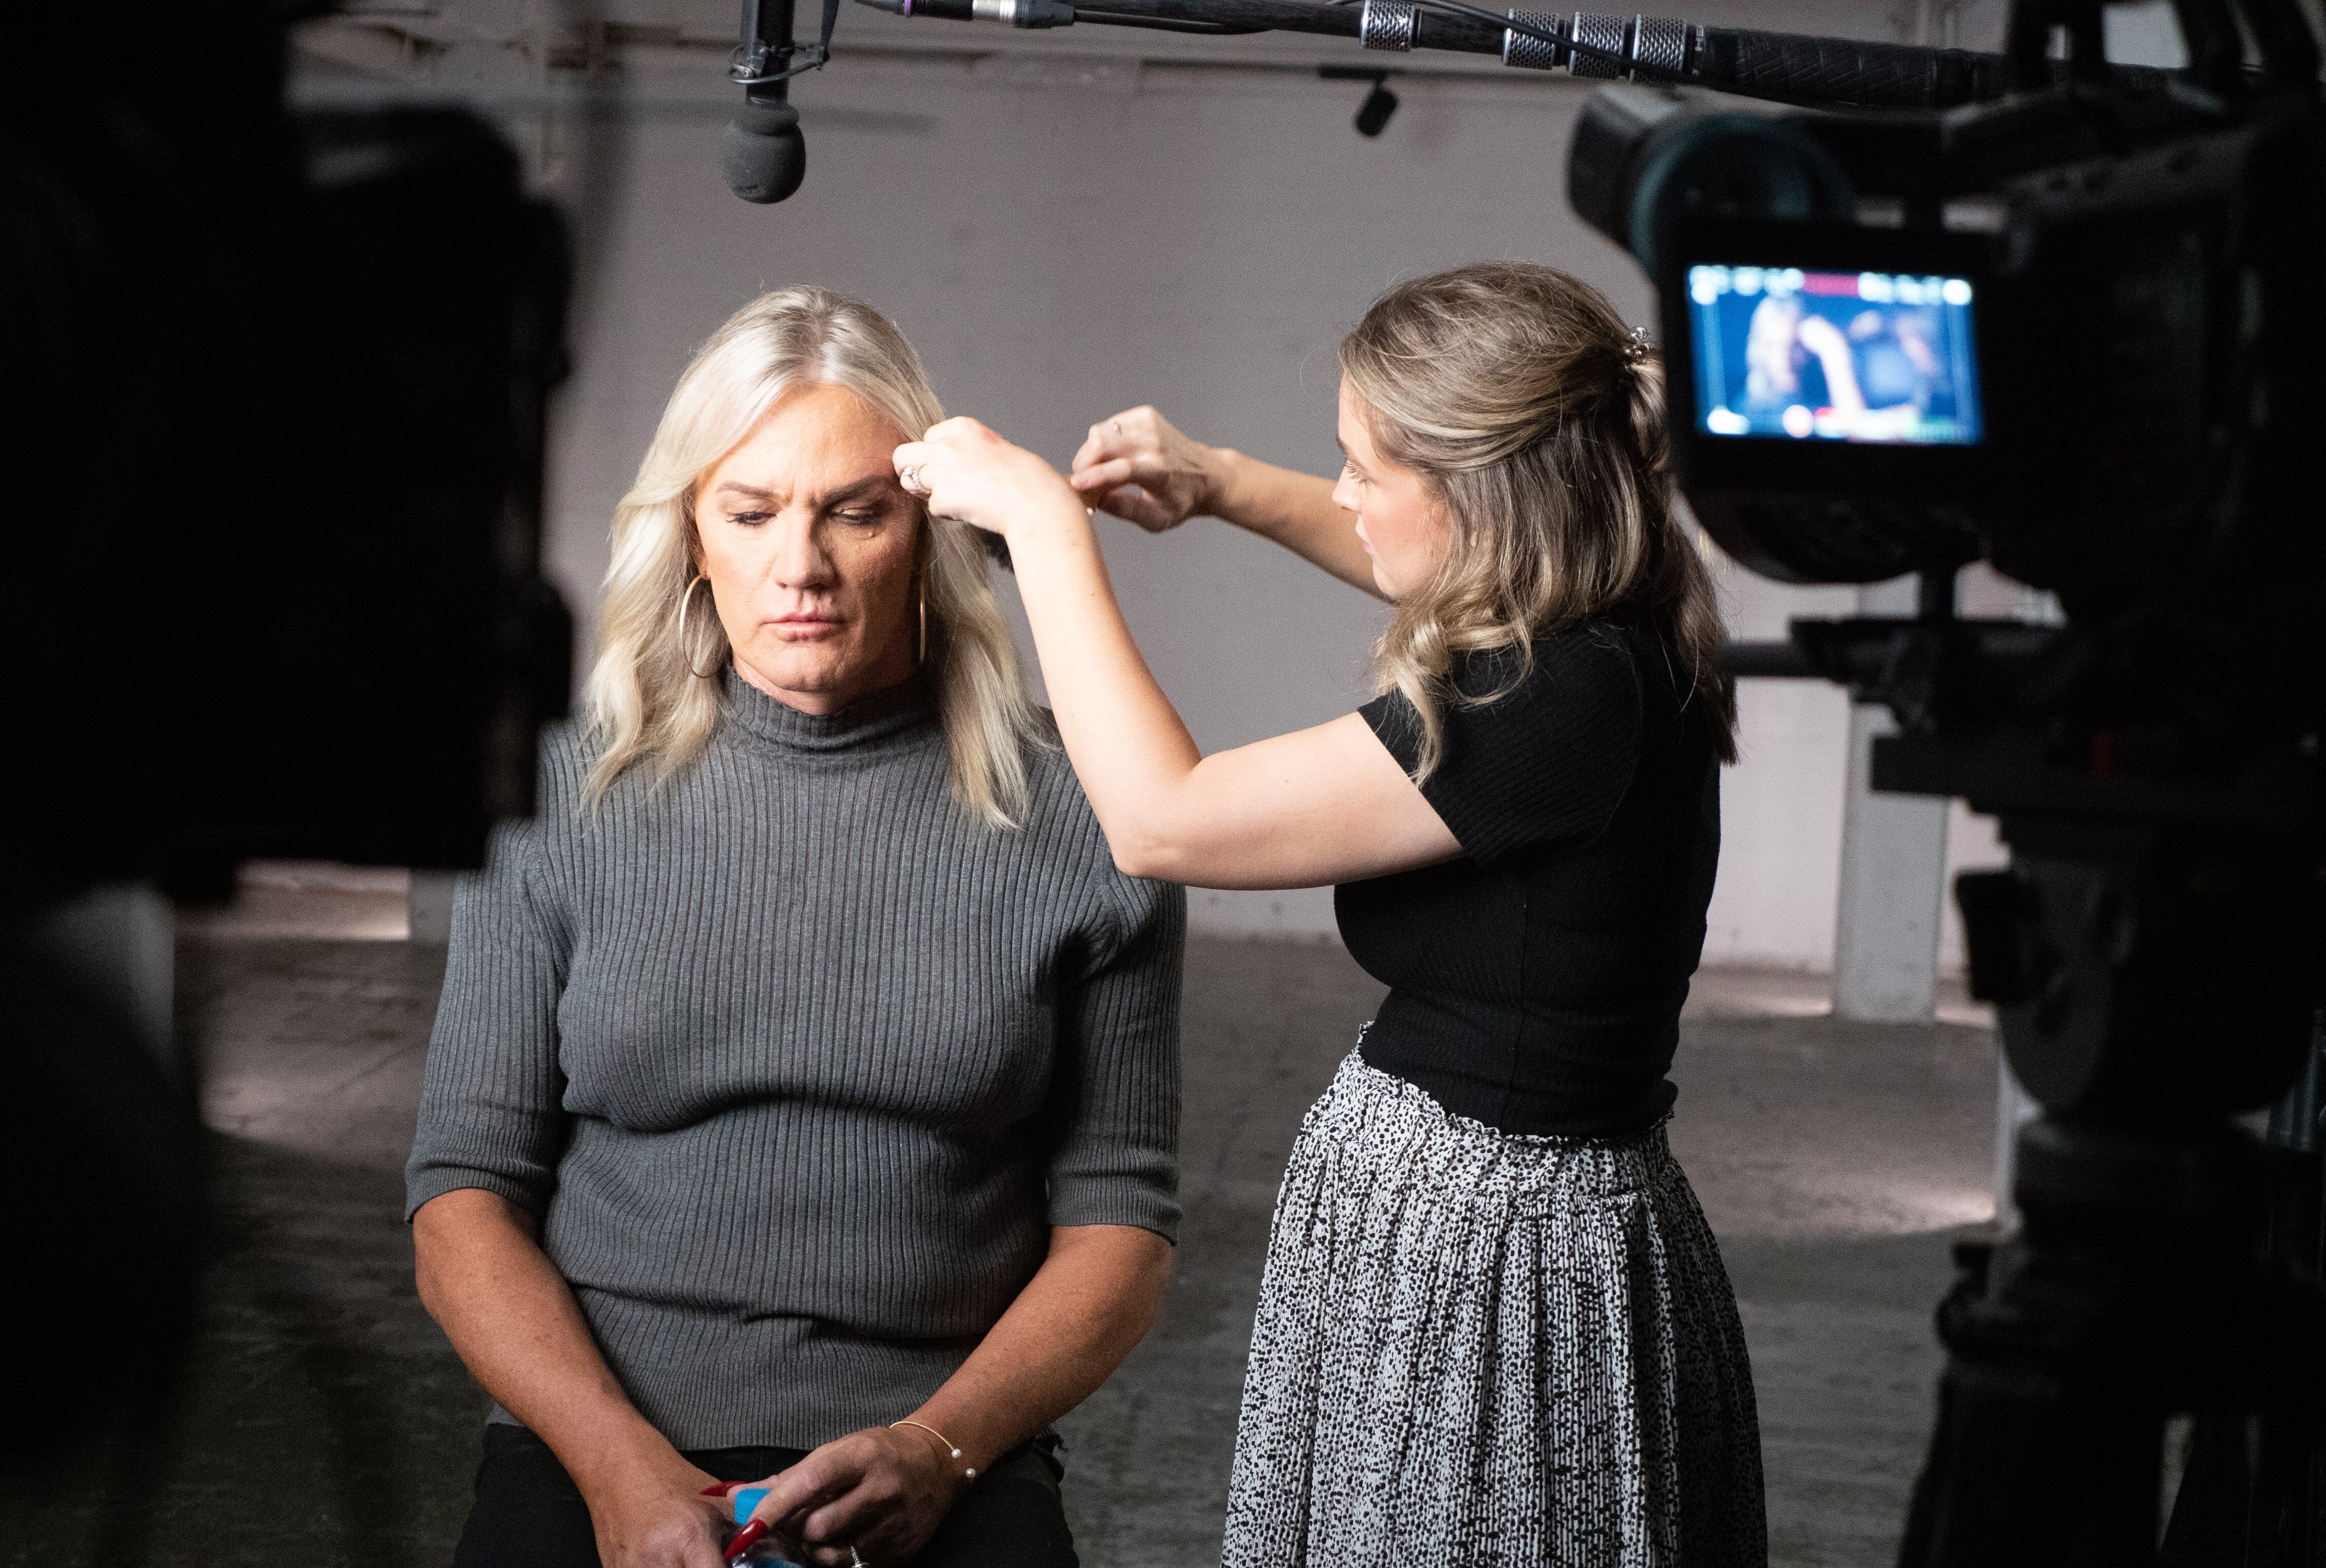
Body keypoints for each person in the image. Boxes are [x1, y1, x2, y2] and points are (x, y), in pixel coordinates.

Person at [892, 262, 1765, 1565]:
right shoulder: (1612, 600)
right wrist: (1221, 484)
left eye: (1363, 466)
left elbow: (1165, 818)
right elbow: (1407, 556)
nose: (1344, 493)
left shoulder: (1558, 704)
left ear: (1477, 498)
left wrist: (1043, 529)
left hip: (1492, 1262)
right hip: (1471, 1218)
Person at [405, 287, 1185, 1568]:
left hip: (943, 1437)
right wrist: (617, 1471)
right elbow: (462, 1199)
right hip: (601, 1430)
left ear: (927, 531)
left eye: (855, 513)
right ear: (692, 535)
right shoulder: (555, 787)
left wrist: (936, 1450)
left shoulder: (1094, 815)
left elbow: (1122, 1226)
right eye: (752, 511)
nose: (801, 566)